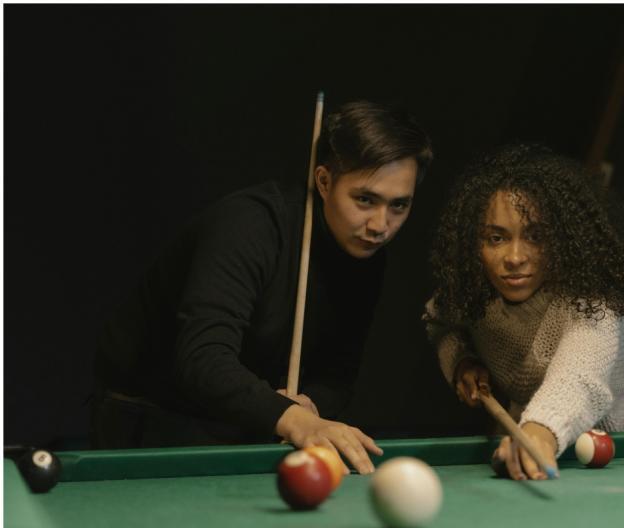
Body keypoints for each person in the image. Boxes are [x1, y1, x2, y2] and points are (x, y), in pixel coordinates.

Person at [92, 100, 433, 474]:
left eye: (399, 206)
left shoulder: (367, 255)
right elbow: (203, 358)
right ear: (323, 181)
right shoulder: (249, 226)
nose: (381, 225)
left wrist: (309, 405)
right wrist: (293, 419)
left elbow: (338, 374)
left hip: (246, 427)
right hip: (150, 424)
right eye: (365, 200)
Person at [423, 143, 624, 481]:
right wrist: (462, 362)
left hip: (612, 451)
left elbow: (580, 376)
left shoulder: (592, 301)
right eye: (496, 238)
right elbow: (440, 322)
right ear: (476, 244)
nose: (515, 257)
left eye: (535, 236)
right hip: (527, 446)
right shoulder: (475, 293)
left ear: (562, 238)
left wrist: (540, 429)